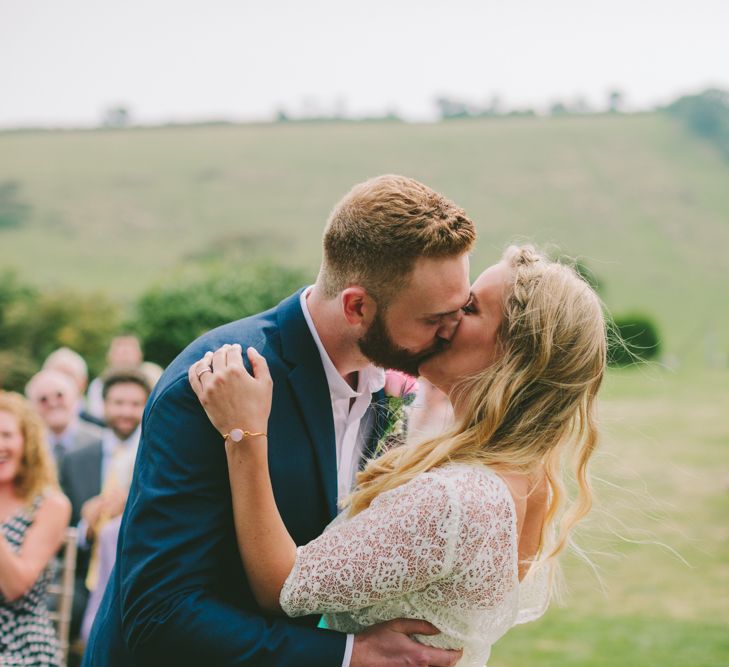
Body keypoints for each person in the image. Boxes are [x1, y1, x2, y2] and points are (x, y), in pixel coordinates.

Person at [83, 174, 476, 667]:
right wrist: (349, 656)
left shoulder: (386, 390)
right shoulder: (214, 384)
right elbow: (160, 616)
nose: (450, 333)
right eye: (433, 319)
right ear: (357, 306)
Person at [189, 245, 607, 667]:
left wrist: (244, 433)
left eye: (472, 308)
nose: (449, 318)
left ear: (513, 356)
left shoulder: (457, 498)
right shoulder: (530, 479)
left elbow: (281, 585)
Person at [59, 369, 150, 646]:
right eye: (118, 403)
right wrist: (88, 526)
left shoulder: (156, 455)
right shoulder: (76, 459)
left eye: (135, 404)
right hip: (85, 578)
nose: (126, 411)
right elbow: (62, 531)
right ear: (103, 405)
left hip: (139, 576)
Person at [0, 391, 72, 666]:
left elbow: (15, 586)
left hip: (22, 645)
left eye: (7, 435)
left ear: (26, 443)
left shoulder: (50, 504)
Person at [25, 369, 102, 469]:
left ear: (75, 399)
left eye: (59, 395)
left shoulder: (99, 441)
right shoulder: (28, 448)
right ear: (33, 407)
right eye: (43, 399)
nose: (53, 403)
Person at [42, 347, 105, 428]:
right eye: (54, 377)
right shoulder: (30, 424)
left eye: (67, 378)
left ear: (83, 383)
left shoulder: (99, 426)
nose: (60, 384)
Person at [85, 335, 144, 421]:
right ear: (109, 357)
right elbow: (96, 415)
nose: (125, 358)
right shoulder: (98, 385)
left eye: (128, 353)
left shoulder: (149, 383)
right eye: (120, 353)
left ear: (139, 356)